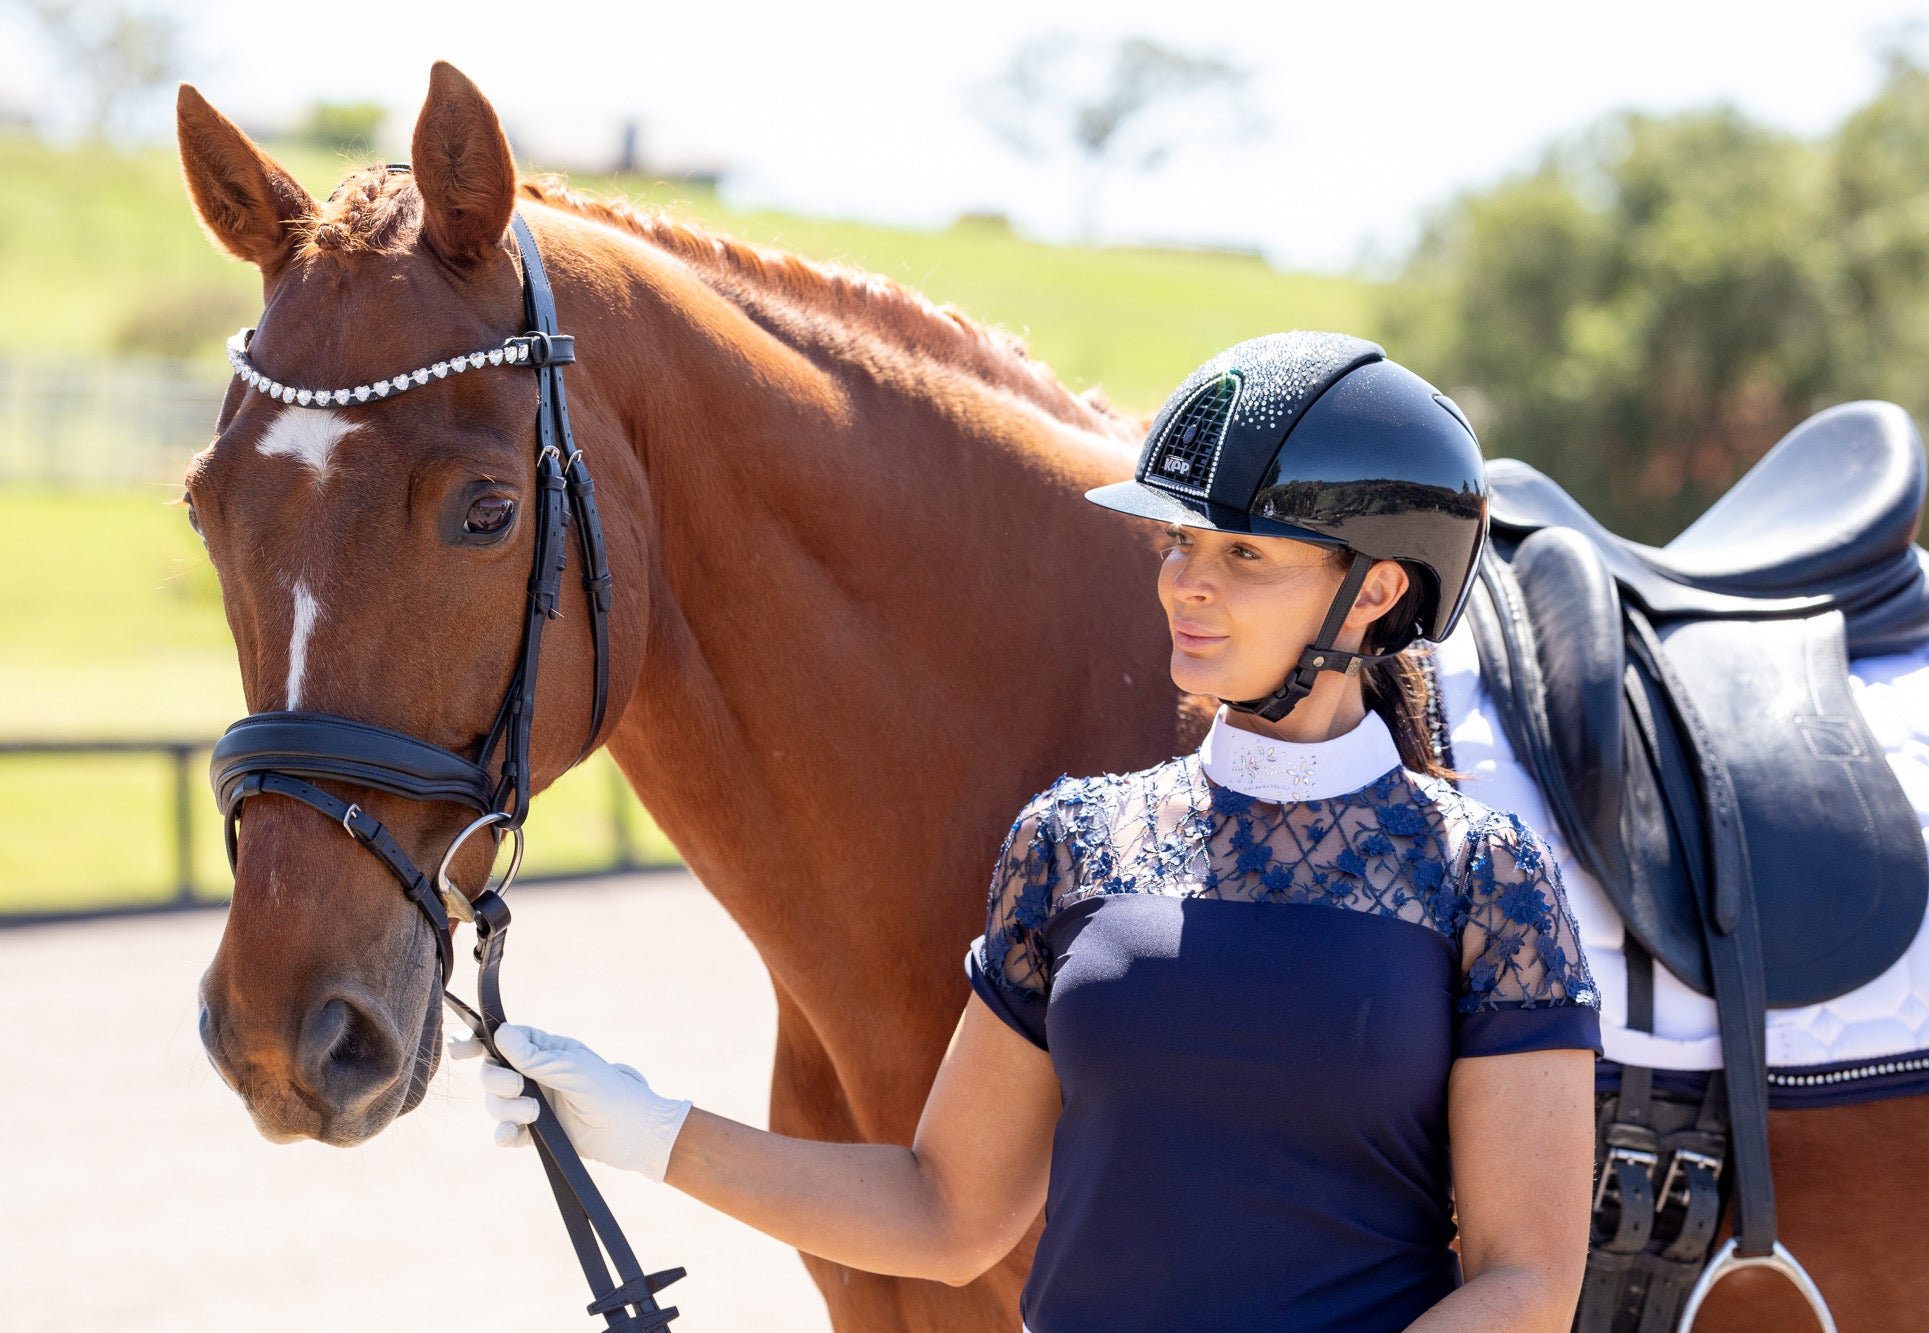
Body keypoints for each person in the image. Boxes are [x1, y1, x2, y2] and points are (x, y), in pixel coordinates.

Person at [459, 332, 1602, 1332]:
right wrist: (645, 1126)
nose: (1185, 585)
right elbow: (944, 1211)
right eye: (1180, 544)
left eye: (1242, 554)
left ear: (1373, 593)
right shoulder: (1071, 843)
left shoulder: (1482, 879)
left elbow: (1526, 1281)